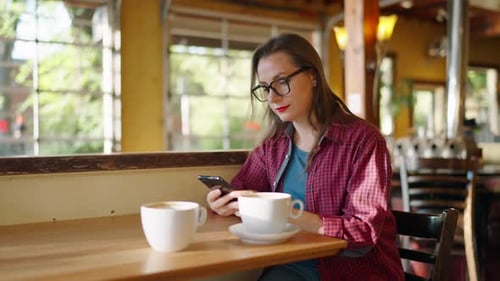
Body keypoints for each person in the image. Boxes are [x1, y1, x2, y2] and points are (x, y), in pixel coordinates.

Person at [206, 33, 404, 281]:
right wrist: (222, 202)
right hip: (290, 266)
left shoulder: (363, 141)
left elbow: (362, 232)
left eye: (281, 82)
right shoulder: (272, 148)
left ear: (312, 76)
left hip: (353, 273)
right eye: (265, 88)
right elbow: (241, 190)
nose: (272, 97)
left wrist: (283, 211)